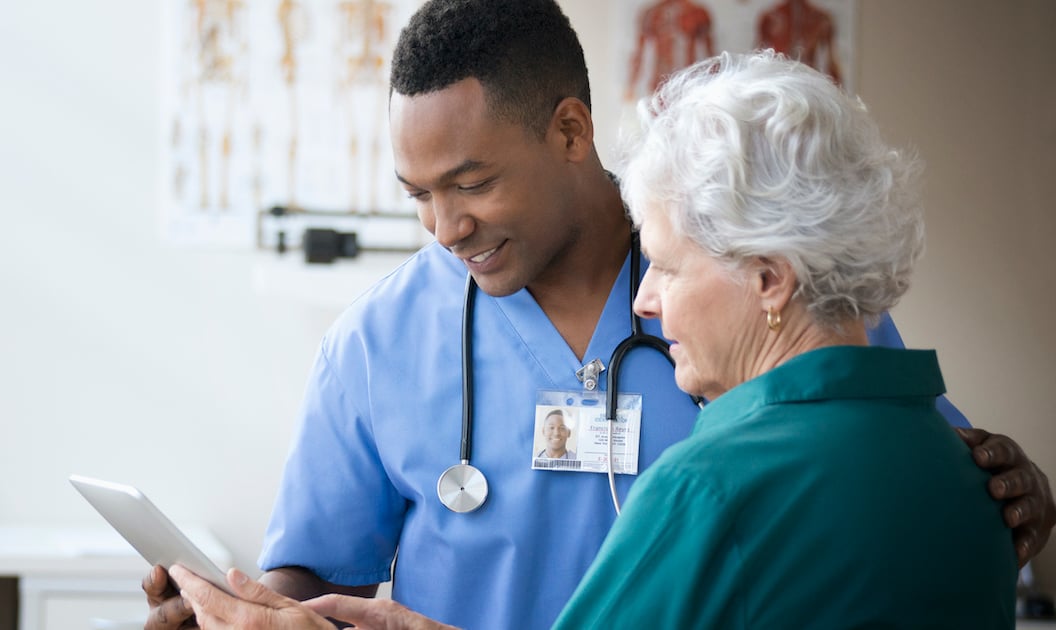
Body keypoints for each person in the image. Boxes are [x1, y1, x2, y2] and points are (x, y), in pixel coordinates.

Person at [145, 2, 1055, 628]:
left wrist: (1010, 491)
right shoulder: (379, 343)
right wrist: (243, 609)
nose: (444, 227)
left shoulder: (760, 283)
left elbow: (899, 487)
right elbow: (313, 575)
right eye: (418, 195)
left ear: (571, 132)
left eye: (472, 183)